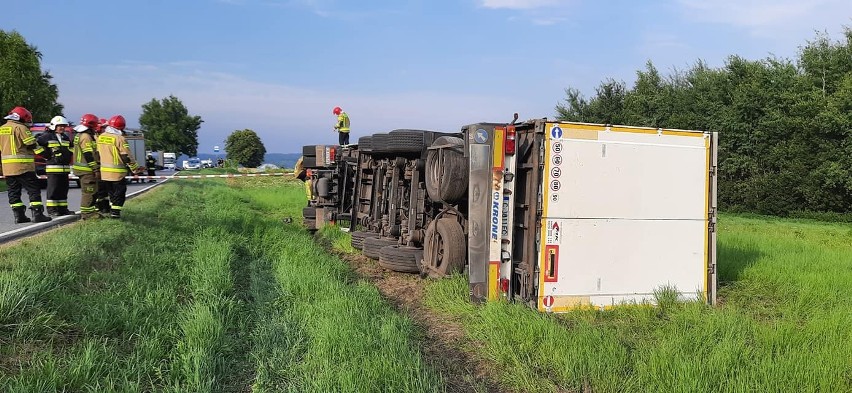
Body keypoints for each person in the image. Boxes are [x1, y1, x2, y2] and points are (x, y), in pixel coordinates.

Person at [0, 107, 52, 223]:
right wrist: (46, 155)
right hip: (23, 166)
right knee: (33, 189)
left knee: (13, 191)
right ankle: (37, 214)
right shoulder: (21, 127)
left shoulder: (2, 129)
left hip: (8, 168)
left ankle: (19, 216)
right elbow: (31, 144)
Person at [97, 115, 141, 219]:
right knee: (119, 194)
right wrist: (135, 169)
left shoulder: (101, 137)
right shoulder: (120, 139)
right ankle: (115, 213)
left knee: (111, 193)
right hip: (117, 173)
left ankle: (109, 211)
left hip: (104, 173)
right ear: (121, 127)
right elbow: (127, 156)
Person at [37, 115, 74, 216]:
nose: (62, 128)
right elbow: (35, 144)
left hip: (64, 169)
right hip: (53, 168)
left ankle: (63, 209)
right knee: (53, 190)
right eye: (60, 126)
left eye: (63, 126)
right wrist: (46, 155)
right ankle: (52, 210)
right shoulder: (47, 136)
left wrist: (68, 155)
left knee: (63, 190)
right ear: (54, 126)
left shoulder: (65, 137)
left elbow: (71, 148)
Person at [72, 113, 101, 220]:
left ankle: (91, 212)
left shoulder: (79, 135)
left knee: (91, 191)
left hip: (82, 169)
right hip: (86, 170)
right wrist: (95, 168)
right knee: (89, 192)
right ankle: (87, 215)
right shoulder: (86, 136)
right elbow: (88, 154)